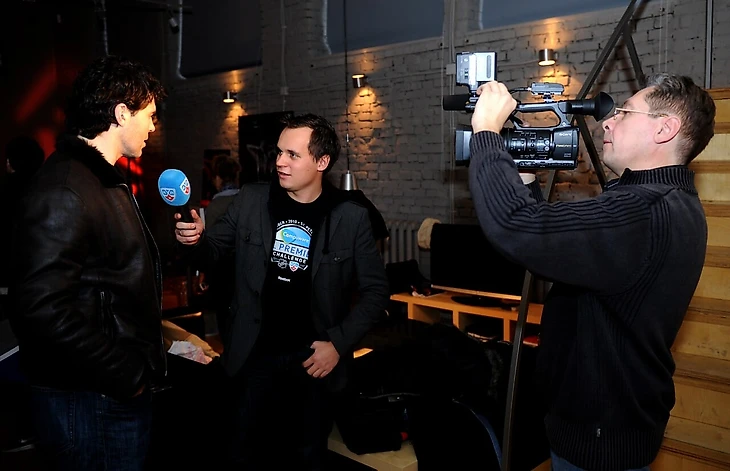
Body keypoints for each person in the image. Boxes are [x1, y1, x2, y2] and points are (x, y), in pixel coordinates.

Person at [467, 74, 715, 471]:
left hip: (600, 437)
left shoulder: (640, 211)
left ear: (664, 129)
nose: (607, 122)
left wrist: (486, 133)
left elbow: (514, 225)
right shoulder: (670, 200)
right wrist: (524, 172)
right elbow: (553, 245)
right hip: (612, 423)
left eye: (624, 113)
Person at [174, 113, 389, 469]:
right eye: (279, 152)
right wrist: (193, 239)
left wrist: (337, 344)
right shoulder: (251, 200)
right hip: (253, 355)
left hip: (314, 363)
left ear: (322, 162)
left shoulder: (350, 217)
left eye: (292, 154)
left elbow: (376, 292)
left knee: (305, 455)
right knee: (242, 452)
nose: (279, 162)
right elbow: (210, 251)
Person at [9, 55, 167, 471]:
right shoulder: (66, 187)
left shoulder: (99, 179)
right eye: (149, 115)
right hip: (90, 399)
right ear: (122, 113)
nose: (153, 126)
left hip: (103, 392)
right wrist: (126, 374)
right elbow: (40, 309)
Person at [203, 153, 241, 339]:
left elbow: (210, 245)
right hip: (245, 270)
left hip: (223, 273)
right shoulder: (246, 200)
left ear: (218, 178)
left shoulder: (215, 206)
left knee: (226, 324)